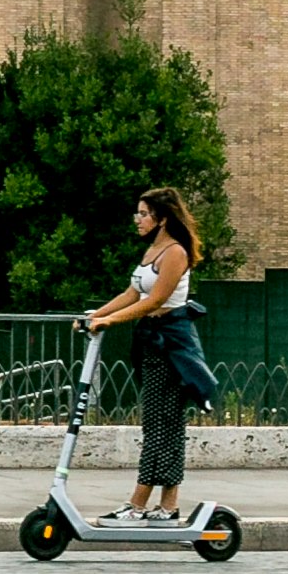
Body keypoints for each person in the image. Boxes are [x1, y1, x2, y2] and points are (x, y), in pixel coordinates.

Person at [86, 185, 214, 524]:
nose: (137, 219)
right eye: (138, 213)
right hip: (152, 343)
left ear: (162, 218)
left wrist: (110, 321)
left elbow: (155, 300)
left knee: (161, 425)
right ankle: (168, 507)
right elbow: (132, 292)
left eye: (143, 214)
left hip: (172, 345)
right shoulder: (153, 251)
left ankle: (138, 504)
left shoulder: (174, 253)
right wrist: (95, 315)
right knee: (163, 423)